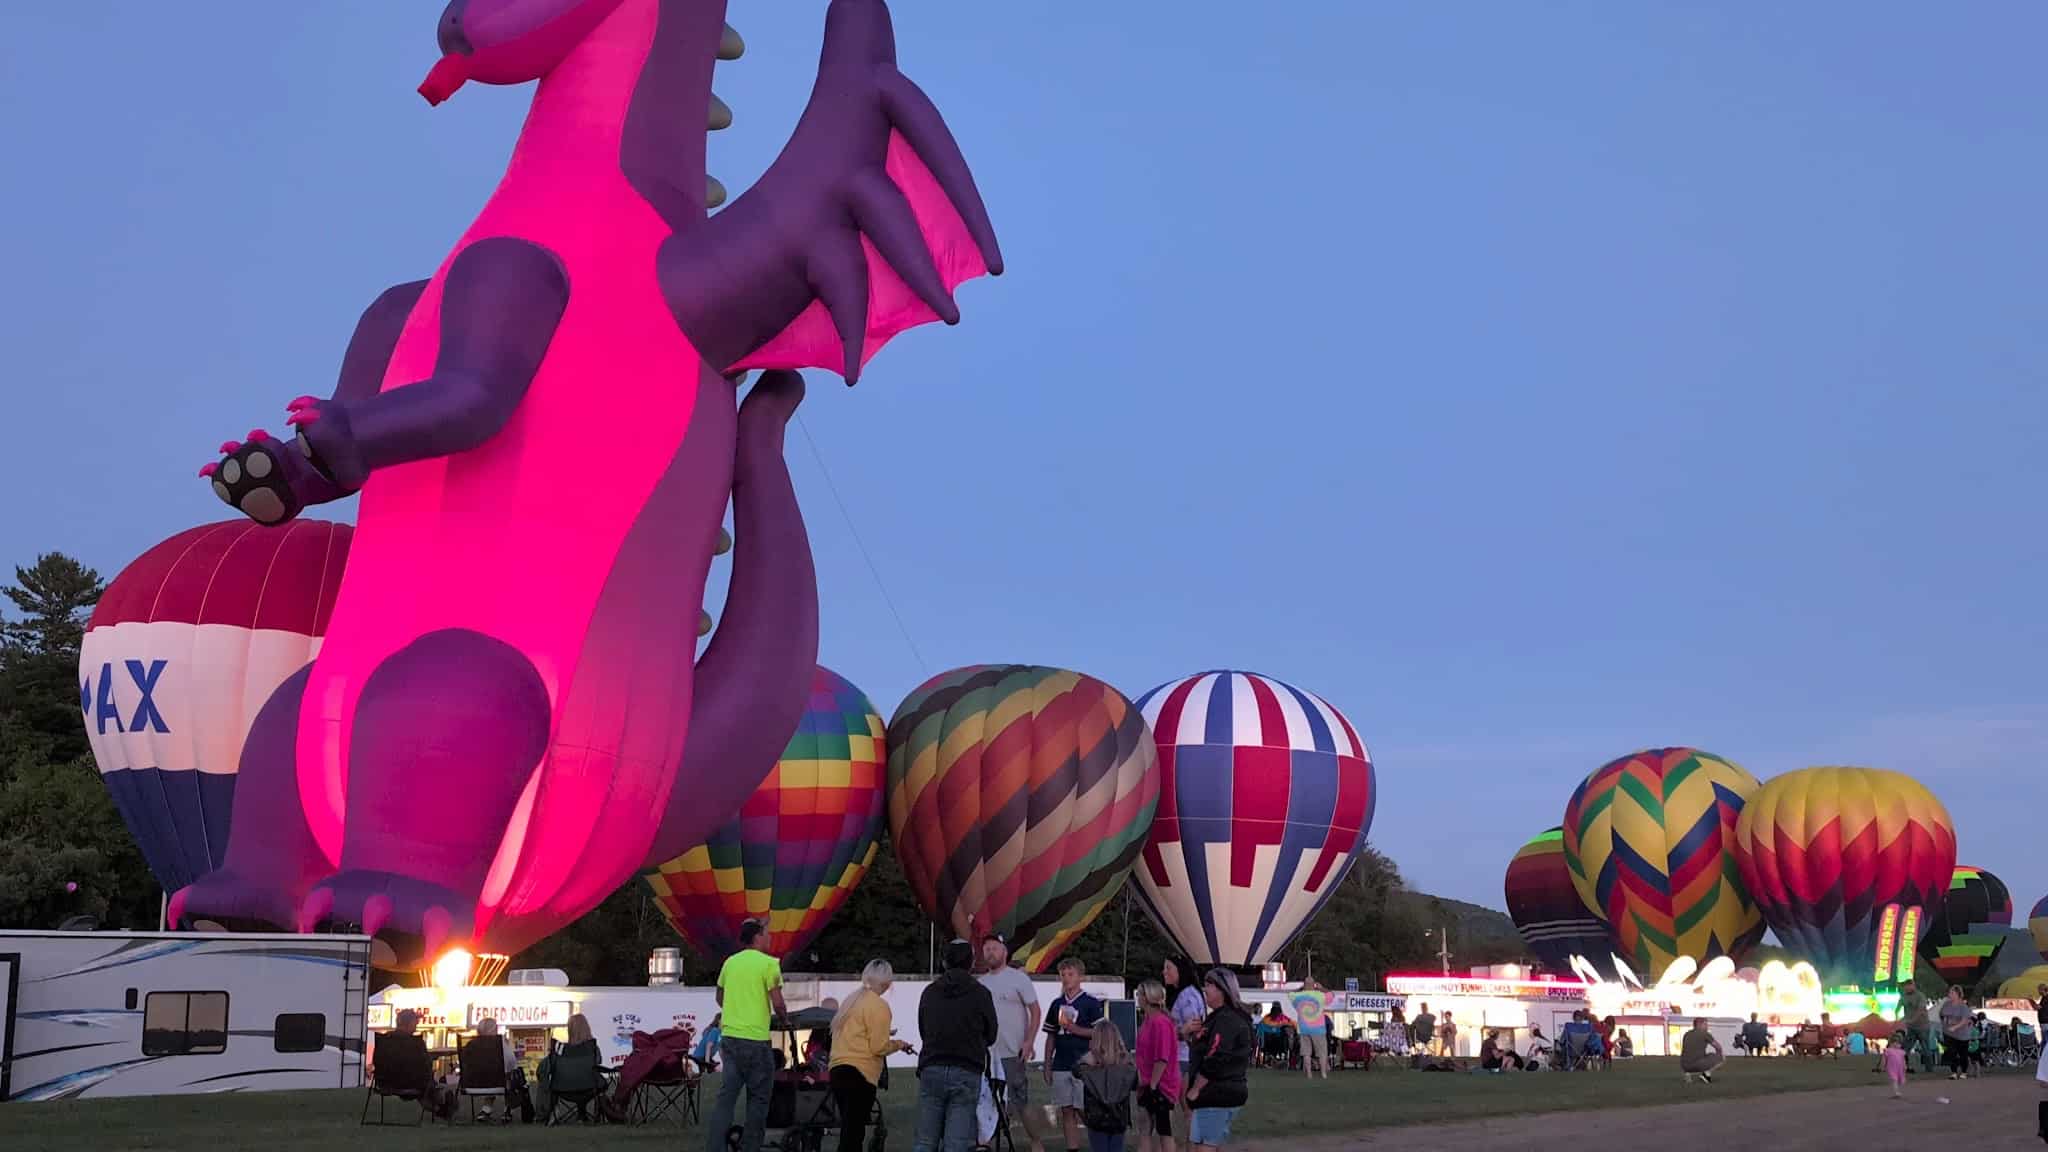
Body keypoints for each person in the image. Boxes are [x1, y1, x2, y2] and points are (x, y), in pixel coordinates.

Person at [707, 918, 789, 1152]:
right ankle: (750, 1147)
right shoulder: (769, 964)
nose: (770, 938)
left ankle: (715, 1147)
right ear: (758, 937)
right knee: (758, 1099)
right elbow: (778, 1003)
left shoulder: (730, 963)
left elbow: (720, 996)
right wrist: (785, 1020)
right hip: (756, 1042)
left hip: (730, 1039)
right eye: (767, 934)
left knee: (726, 1098)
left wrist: (735, 1010)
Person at [916, 938, 998, 1152]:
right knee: (957, 1143)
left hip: (932, 1066)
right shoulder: (980, 993)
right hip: (966, 1068)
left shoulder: (930, 992)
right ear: (971, 963)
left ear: (945, 962)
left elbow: (924, 1029)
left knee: (925, 1140)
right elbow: (991, 1034)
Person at [830, 960, 913, 1152]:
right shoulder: (879, 1006)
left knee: (848, 1131)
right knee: (854, 1135)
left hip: (838, 1070)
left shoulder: (851, 1000)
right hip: (860, 1074)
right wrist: (899, 1044)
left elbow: (856, 1032)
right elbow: (878, 1047)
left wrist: (886, 1034)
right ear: (887, 982)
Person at [981, 934, 1045, 1152]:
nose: (990, 952)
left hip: (1012, 1053)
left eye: (994, 948)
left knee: (1020, 1101)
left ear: (1004, 952)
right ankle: (986, 1145)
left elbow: (1035, 1011)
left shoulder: (1019, 979)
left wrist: (1029, 1041)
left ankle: (1036, 1143)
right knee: (987, 1103)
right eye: (987, 949)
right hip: (988, 1055)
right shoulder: (981, 983)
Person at [1185, 969, 1253, 1150]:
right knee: (1205, 1144)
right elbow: (1204, 1050)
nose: (1205, 990)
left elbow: (1216, 1057)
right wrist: (1189, 1035)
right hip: (1216, 1091)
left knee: (1205, 1146)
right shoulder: (1217, 1018)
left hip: (1217, 1092)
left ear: (1222, 989)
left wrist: (1196, 1088)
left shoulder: (1227, 1019)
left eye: (1209, 985)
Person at [1044, 957, 1104, 1152]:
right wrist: (1047, 1064)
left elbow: (1100, 1032)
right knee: (1066, 1109)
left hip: (1084, 1064)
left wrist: (1075, 1029)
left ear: (1080, 977)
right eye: (1063, 974)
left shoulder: (1090, 1003)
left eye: (1071, 974)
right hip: (1061, 1063)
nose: (1066, 978)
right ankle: (1072, 1148)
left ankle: (1100, 1141)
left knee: (1083, 1107)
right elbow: (1051, 1036)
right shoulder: (1056, 1004)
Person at [1131, 981, 1180, 1152]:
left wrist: (1153, 1085)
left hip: (1161, 1085)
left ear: (1148, 997)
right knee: (1144, 1129)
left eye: (1139, 994)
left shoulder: (1161, 1022)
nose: (1137, 997)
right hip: (1146, 1082)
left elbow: (1162, 1058)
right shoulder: (1147, 1020)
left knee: (1164, 1131)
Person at [1163, 956, 1206, 1148]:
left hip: (1183, 1057)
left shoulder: (1187, 996)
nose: (1164, 972)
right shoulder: (1187, 994)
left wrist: (1179, 1033)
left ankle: (1190, 1145)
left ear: (1180, 970)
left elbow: (1194, 1028)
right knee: (1185, 1106)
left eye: (1168, 968)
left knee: (1183, 1106)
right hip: (1185, 1057)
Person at [1080, 1019, 1138, 1152]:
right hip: (1119, 1119)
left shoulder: (1088, 1068)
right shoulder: (1127, 1068)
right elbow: (1135, 1083)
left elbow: (1075, 1070)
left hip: (1096, 1120)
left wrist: (1090, 1055)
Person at [1289, 980, 1329, 1079]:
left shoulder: (1298, 996)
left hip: (1303, 1028)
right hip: (1318, 1029)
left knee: (1306, 1053)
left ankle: (1309, 1074)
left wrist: (1301, 988)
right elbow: (1331, 995)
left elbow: (1290, 994)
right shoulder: (1320, 995)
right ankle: (1323, 1073)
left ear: (1305, 985)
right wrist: (1321, 988)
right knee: (1322, 1053)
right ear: (1314, 985)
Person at [1940, 985, 1973, 1080]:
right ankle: (1953, 1072)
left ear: (1958, 994)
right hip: (1949, 1033)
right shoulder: (1946, 1005)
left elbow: (1965, 1020)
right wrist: (1945, 1022)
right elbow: (1942, 1015)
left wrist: (1955, 1027)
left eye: (1952, 993)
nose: (1950, 994)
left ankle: (1964, 1072)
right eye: (1949, 993)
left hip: (1962, 1034)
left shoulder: (1963, 1006)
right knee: (1951, 1052)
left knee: (1963, 1053)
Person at [1680, 1017, 1724, 1085]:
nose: (1707, 1026)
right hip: (1696, 1065)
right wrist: (1719, 1054)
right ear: (1699, 1025)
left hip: (1684, 1065)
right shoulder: (1705, 1033)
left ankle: (1687, 1074)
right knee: (1721, 1058)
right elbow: (1718, 1047)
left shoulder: (1686, 1034)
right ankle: (1706, 1075)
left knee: (1708, 1055)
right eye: (1705, 1024)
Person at [1884, 1029, 1908, 1099]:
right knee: (1894, 1079)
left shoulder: (1901, 1052)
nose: (1897, 1045)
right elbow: (1884, 1059)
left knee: (1900, 1080)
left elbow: (1903, 1059)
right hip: (1891, 1068)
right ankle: (1896, 1092)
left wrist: (1905, 1065)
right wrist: (1883, 1065)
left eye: (1899, 1044)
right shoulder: (1888, 1050)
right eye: (1895, 1043)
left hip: (1900, 1068)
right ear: (1891, 1043)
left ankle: (1897, 1090)